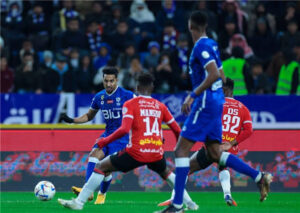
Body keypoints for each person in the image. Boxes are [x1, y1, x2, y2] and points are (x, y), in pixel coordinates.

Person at [158, 11, 272, 213]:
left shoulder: (200, 46)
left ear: (191, 26)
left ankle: (176, 205)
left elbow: (212, 74)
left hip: (205, 103)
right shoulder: (212, 44)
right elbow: (221, 74)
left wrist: (193, 95)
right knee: (215, 152)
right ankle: (258, 176)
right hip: (216, 102)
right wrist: (219, 97)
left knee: (180, 150)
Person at [58, 73, 198, 210]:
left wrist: (104, 141)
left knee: (101, 167)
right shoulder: (160, 106)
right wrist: (181, 147)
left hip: (136, 151)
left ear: (137, 87)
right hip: (156, 151)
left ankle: (79, 202)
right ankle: (191, 203)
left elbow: (125, 130)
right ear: (152, 87)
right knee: (167, 174)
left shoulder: (130, 103)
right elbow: (177, 131)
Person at [158, 78, 254, 207]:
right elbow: (248, 130)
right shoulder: (243, 108)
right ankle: (227, 195)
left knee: (185, 169)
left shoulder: (217, 104)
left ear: (224, 89)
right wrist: (232, 143)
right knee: (222, 167)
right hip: (228, 147)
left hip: (213, 145)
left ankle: (175, 198)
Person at [60, 67, 134, 205]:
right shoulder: (99, 97)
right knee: (94, 155)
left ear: (117, 80)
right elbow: (89, 115)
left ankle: (102, 193)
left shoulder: (128, 95)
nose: (109, 84)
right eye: (106, 81)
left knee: (106, 169)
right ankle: (88, 193)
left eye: (112, 81)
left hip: (122, 138)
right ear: (103, 80)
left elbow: (142, 112)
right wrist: (72, 120)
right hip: (107, 135)